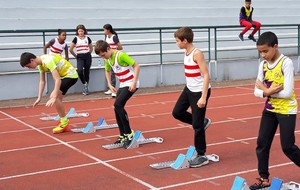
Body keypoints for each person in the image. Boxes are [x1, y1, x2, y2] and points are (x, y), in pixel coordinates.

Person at [251, 31, 300, 189]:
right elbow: (256, 91)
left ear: (275, 46)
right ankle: (263, 178)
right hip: (270, 109)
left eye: (265, 51)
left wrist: (265, 90)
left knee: (288, 147)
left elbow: (287, 93)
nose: (263, 55)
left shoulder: (286, 62)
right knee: (262, 144)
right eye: (260, 52)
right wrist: (268, 91)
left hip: (286, 110)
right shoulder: (263, 65)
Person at [172, 27, 212, 168]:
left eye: (177, 41)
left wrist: (203, 97)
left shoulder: (197, 53)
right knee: (177, 112)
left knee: (197, 126)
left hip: (199, 92)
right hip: (189, 89)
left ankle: (202, 155)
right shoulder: (186, 51)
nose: (176, 43)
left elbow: (206, 75)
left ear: (185, 40)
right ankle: (202, 122)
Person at [94, 40, 140, 149]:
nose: (103, 57)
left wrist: (134, 83)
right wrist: (109, 84)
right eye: (101, 56)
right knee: (116, 107)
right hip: (123, 84)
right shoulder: (107, 59)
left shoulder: (121, 55)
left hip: (131, 83)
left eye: (104, 54)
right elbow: (107, 71)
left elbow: (136, 66)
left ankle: (129, 134)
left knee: (118, 105)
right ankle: (122, 135)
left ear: (108, 49)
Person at [20, 52, 78, 134]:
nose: (29, 68)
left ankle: (64, 122)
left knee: (54, 96)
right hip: (63, 77)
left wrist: (54, 96)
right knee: (58, 99)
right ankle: (63, 121)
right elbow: (42, 81)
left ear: (32, 60)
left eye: (28, 66)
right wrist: (39, 97)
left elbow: (57, 80)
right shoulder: (40, 65)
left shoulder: (48, 61)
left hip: (71, 76)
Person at [69, 24, 93, 95]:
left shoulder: (87, 38)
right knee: (79, 71)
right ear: (77, 32)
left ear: (84, 31)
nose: (81, 32)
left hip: (87, 56)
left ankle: (86, 88)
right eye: (79, 31)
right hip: (80, 56)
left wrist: (88, 54)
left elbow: (91, 48)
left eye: (82, 31)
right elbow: (70, 49)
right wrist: (76, 56)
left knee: (87, 71)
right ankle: (84, 83)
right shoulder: (76, 38)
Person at [103, 24, 123, 98]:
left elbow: (120, 47)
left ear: (108, 30)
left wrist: (114, 51)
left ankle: (114, 90)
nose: (103, 31)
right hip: (107, 57)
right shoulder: (107, 37)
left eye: (104, 30)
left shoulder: (114, 37)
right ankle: (110, 88)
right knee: (108, 72)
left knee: (113, 73)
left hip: (113, 57)